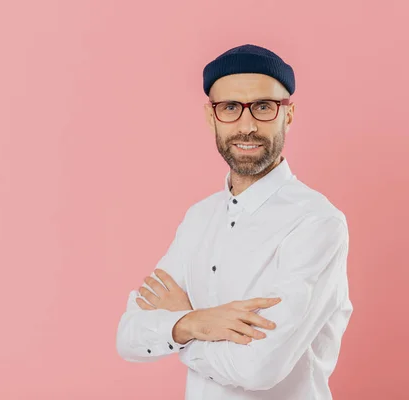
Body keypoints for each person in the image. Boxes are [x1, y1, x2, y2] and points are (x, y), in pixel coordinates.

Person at [116, 43, 353, 400]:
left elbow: (259, 369)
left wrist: (180, 328)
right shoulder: (199, 218)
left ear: (287, 115)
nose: (246, 126)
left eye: (262, 107)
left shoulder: (317, 223)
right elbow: (129, 335)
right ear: (211, 117)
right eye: (229, 107)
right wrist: (197, 322)